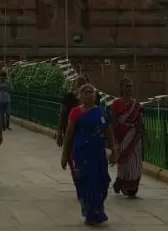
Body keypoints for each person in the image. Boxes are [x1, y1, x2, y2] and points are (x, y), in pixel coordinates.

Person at [61, 83, 116, 226]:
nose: (88, 94)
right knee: (87, 181)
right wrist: (64, 155)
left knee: (102, 182)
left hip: (98, 151)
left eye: (90, 92)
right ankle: (91, 213)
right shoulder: (75, 112)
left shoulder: (101, 112)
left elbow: (109, 132)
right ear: (80, 95)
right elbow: (68, 134)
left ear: (95, 95)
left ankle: (97, 208)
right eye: (85, 92)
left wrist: (114, 150)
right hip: (81, 152)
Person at [107, 77, 147, 198]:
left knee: (135, 162)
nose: (129, 88)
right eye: (127, 86)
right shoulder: (116, 103)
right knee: (123, 161)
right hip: (121, 136)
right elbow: (113, 121)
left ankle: (132, 186)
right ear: (121, 88)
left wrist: (145, 135)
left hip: (134, 136)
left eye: (131, 85)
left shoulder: (136, 104)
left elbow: (139, 121)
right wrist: (112, 140)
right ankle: (120, 182)